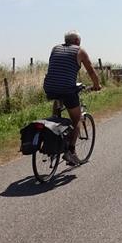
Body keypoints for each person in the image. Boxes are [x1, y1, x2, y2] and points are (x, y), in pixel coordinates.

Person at [43, 30, 101, 165]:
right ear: (76, 41)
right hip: (67, 90)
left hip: (50, 87)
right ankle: (71, 151)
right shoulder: (80, 51)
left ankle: (55, 131)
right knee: (77, 119)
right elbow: (91, 71)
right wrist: (97, 85)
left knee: (57, 109)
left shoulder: (55, 48)